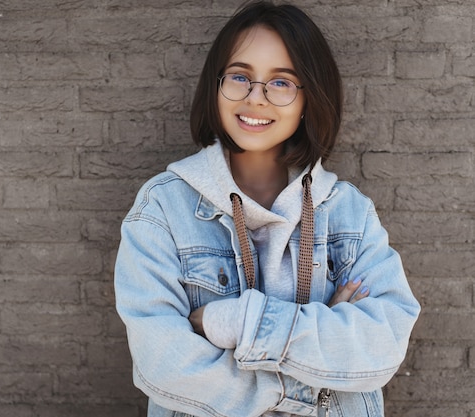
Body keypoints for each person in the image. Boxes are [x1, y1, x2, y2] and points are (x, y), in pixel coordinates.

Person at [114, 2, 420, 416]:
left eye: (282, 82)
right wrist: (319, 349)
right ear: (216, 85)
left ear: (309, 97)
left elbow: (382, 344)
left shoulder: (348, 213)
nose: (256, 98)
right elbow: (163, 365)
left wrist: (236, 322)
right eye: (240, 77)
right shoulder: (164, 208)